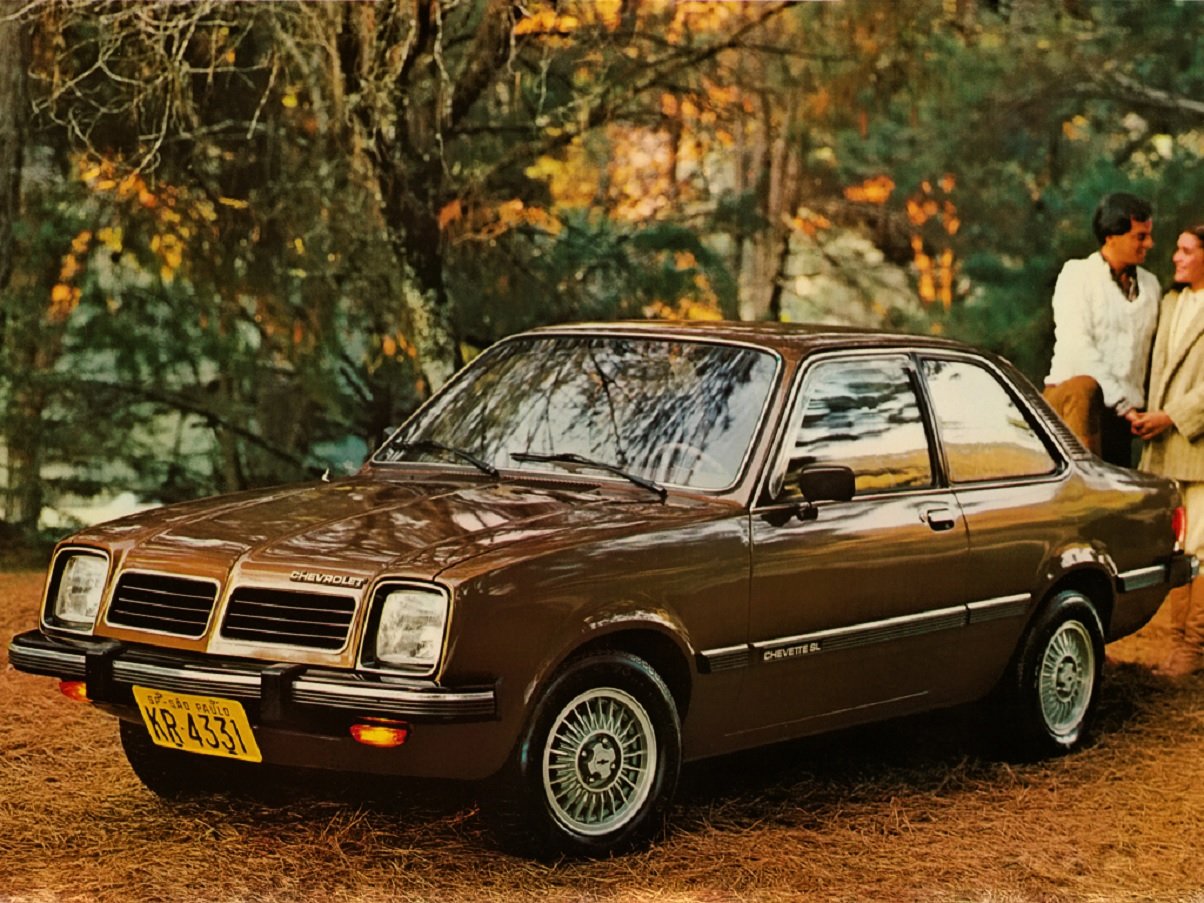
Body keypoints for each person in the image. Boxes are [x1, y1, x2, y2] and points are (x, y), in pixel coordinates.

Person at [1132, 223, 1204, 677]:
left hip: (1197, 445)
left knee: (1200, 546)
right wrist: (1144, 413)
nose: (1175, 258)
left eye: (1185, 250)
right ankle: (1180, 642)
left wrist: (1171, 416)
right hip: (1165, 444)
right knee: (1179, 546)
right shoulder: (1172, 302)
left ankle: (1194, 647)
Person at [1043, 192, 1161, 465]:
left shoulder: (1150, 286)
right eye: (1140, 237)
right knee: (1083, 497)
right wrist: (1122, 404)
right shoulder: (1077, 274)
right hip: (1077, 408)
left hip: (1125, 422)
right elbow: (1078, 347)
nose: (1149, 244)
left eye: (1149, 235)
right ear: (1111, 236)